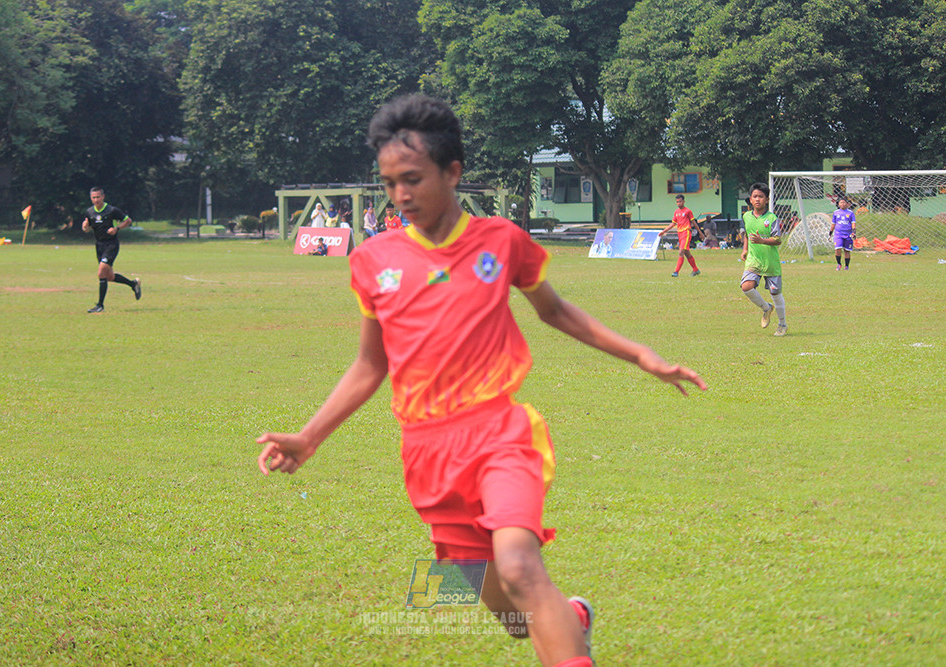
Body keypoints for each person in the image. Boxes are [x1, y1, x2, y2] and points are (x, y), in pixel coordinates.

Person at [256, 95, 707, 667]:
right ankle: (568, 617)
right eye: (390, 182)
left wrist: (642, 354)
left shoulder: (500, 240)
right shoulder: (374, 259)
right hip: (427, 455)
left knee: (520, 566)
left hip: (499, 433)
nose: (400, 195)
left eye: (413, 179)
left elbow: (556, 311)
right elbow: (372, 364)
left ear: (453, 172)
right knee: (514, 617)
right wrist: (309, 436)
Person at [81, 187, 141, 313]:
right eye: (93, 197)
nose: (96, 200)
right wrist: (85, 227)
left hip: (111, 245)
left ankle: (100, 305)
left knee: (101, 272)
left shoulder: (111, 210)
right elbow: (87, 228)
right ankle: (133, 284)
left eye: (98, 197)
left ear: (103, 196)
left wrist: (116, 229)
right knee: (109, 276)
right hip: (99, 246)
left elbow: (128, 221)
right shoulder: (90, 212)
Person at [740, 182, 787, 336]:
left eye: (761, 196)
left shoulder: (772, 218)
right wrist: (745, 249)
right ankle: (766, 308)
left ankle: (782, 325)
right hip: (754, 260)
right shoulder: (746, 216)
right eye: (755, 196)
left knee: (775, 293)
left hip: (770, 262)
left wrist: (762, 241)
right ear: (751, 199)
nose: (758, 199)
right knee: (746, 286)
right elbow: (747, 233)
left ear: (767, 199)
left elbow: (778, 240)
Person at [658, 194, 703, 276]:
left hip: (686, 232)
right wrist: (664, 231)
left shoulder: (688, 211)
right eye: (677, 202)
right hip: (680, 233)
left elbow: (694, 223)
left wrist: (700, 233)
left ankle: (676, 272)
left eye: (680, 201)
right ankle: (695, 270)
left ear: (684, 201)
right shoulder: (676, 212)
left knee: (681, 251)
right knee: (686, 253)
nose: (679, 203)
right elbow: (673, 224)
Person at [829, 198, 856, 270]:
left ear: (847, 204)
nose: (843, 204)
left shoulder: (850, 213)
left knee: (846, 250)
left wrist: (854, 231)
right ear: (838, 204)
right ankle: (839, 264)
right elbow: (833, 223)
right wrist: (830, 232)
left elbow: (853, 223)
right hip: (838, 234)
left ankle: (846, 266)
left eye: (844, 202)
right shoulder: (835, 213)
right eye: (841, 202)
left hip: (848, 234)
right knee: (838, 249)